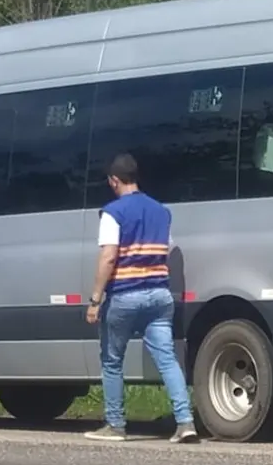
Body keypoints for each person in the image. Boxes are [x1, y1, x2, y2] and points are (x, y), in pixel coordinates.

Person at [84, 153, 199, 443]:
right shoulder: (161, 211)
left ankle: (115, 425)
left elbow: (108, 257)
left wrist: (95, 300)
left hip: (125, 295)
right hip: (159, 295)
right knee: (168, 360)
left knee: (112, 360)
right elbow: (167, 250)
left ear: (114, 181)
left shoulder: (113, 212)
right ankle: (185, 422)